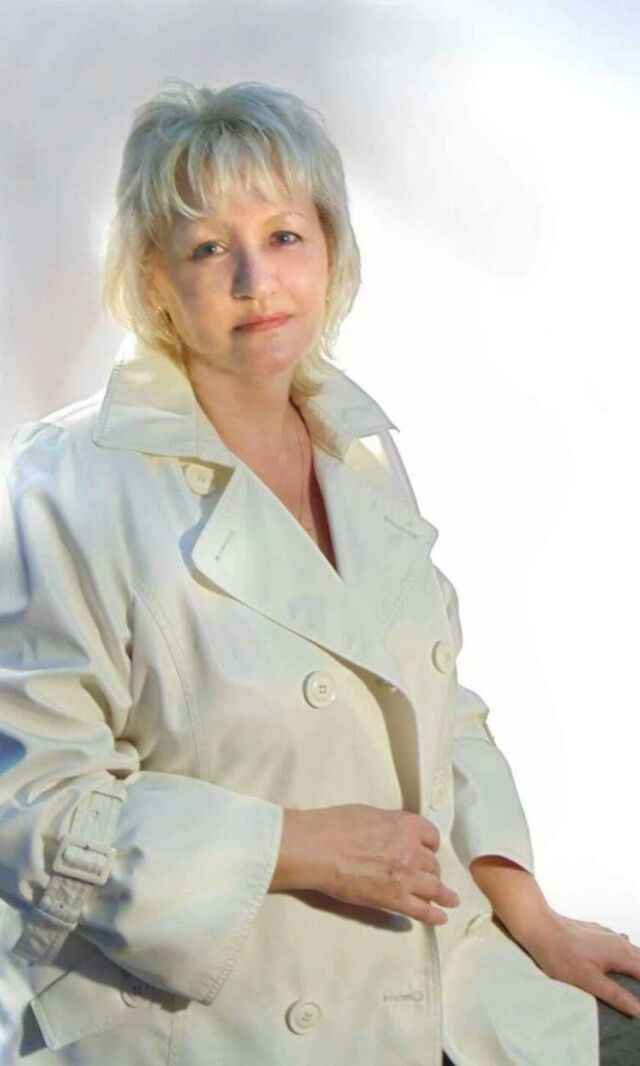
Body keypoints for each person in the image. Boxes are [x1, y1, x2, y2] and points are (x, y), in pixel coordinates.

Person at [0, 78, 638, 1066]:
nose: (256, 278)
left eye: (285, 235)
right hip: (217, 1023)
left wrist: (533, 918)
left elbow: (439, 711)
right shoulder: (65, 484)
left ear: (330, 250)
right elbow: (30, 806)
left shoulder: (358, 449)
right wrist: (294, 844)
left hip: (435, 979)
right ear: (154, 278)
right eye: (208, 248)